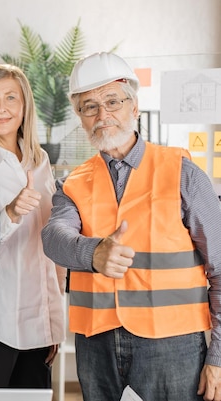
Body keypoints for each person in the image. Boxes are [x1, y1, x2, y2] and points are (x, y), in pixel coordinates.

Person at [41, 51, 221, 401]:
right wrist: (94, 253)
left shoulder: (183, 174)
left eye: (112, 101)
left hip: (173, 343)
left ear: (134, 107)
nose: (102, 115)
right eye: (89, 106)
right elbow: (54, 238)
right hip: (97, 344)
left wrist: (219, 357)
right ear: (80, 117)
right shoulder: (74, 182)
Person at [0, 64, 66, 389]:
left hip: (38, 321)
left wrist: (52, 322)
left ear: (25, 104)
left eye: (11, 97)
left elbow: (48, 246)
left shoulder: (39, 161)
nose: (1, 109)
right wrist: (10, 212)